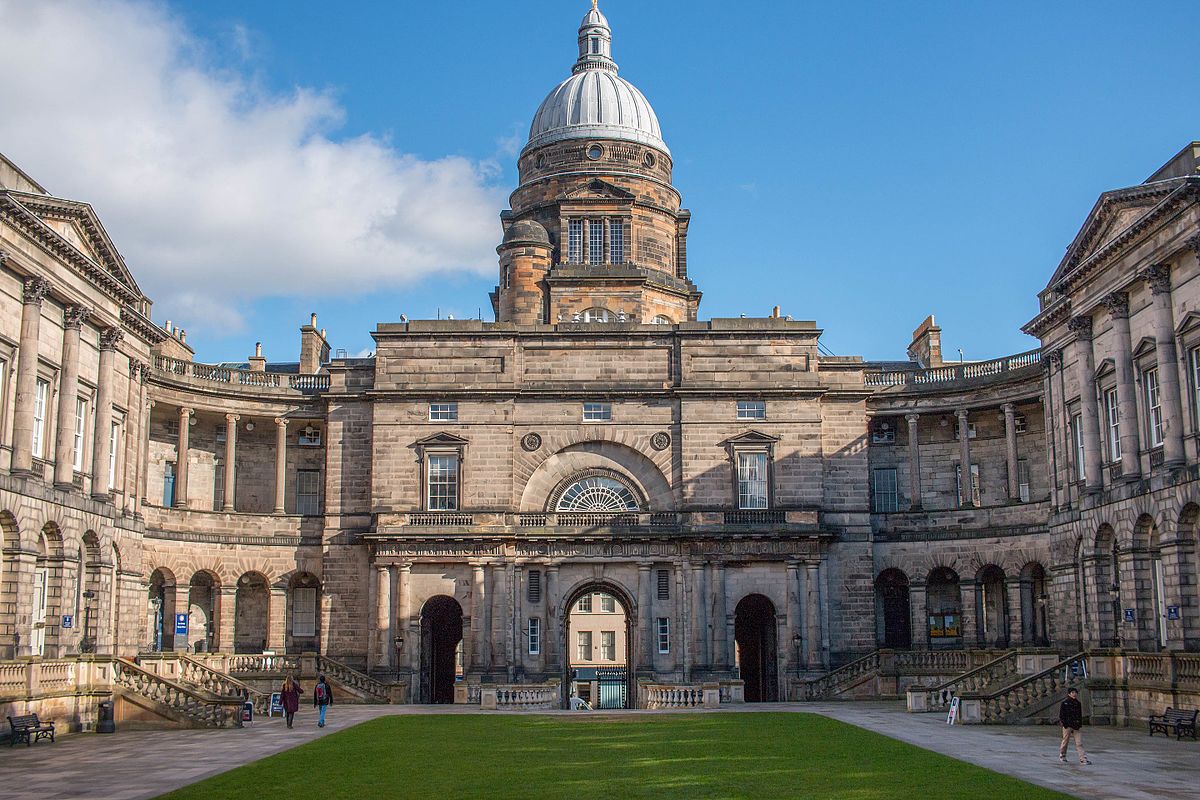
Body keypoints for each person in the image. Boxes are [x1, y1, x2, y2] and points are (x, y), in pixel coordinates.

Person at [1058, 687, 1090, 764]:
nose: (1074, 694)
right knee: (1065, 741)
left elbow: (1079, 715)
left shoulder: (1078, 703)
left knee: (1079, 743)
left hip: (1076, 725)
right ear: (1069, 694)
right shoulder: (1065, 703)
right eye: (1072, 692)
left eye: (1075, 692)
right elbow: (1062, 715)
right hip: (1068, 725)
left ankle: (1083, 758)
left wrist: (1079, 724)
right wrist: (1065, 724)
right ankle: (1062, 755)